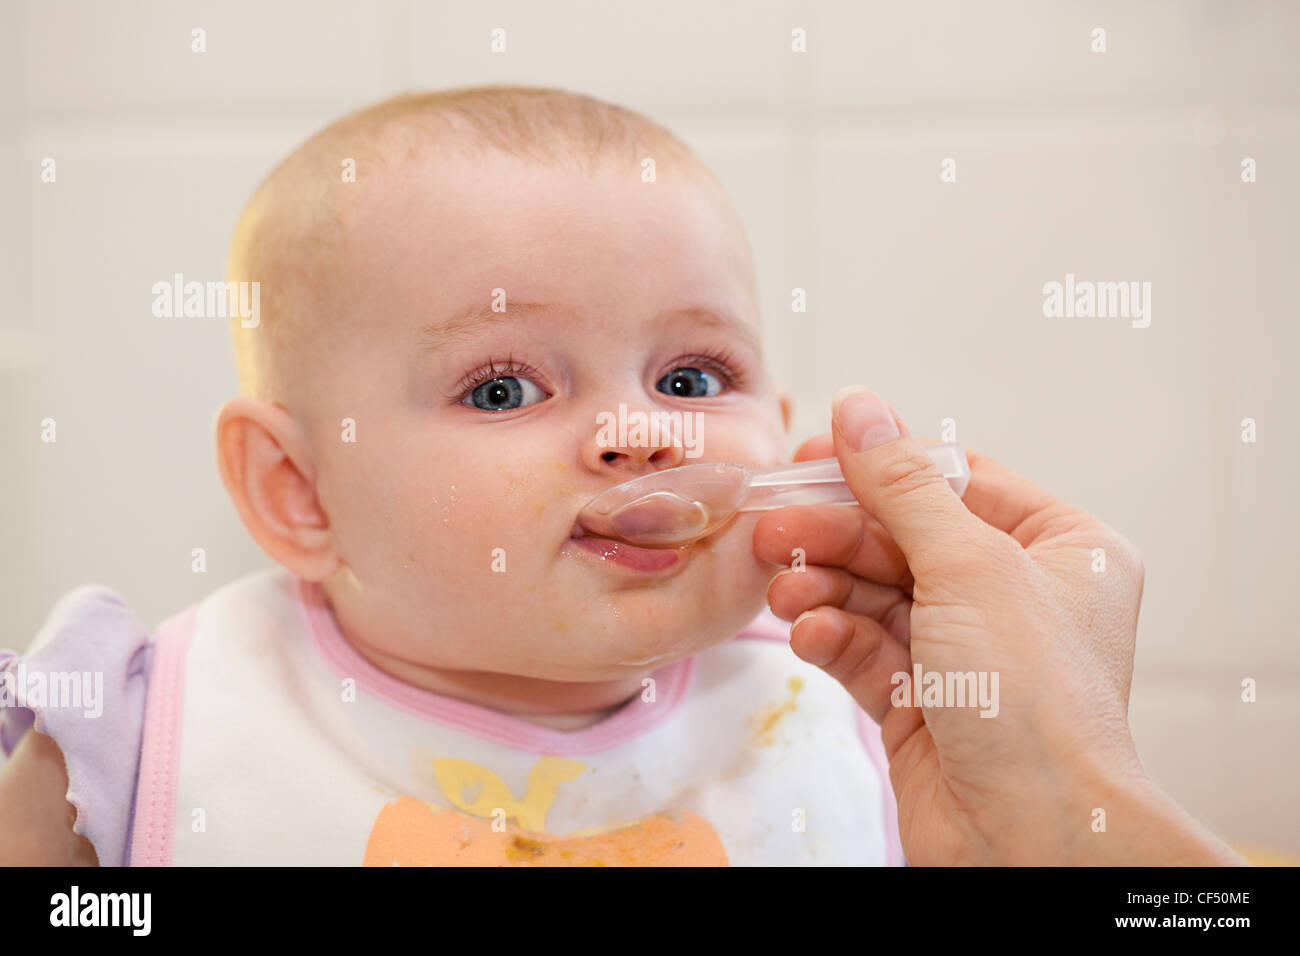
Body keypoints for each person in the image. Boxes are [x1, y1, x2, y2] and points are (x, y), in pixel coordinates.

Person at [755, 385, 1248, 865]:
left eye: (691, 382)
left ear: (776, 426)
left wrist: (1042, 806)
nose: (673, 436)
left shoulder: (842, 701)